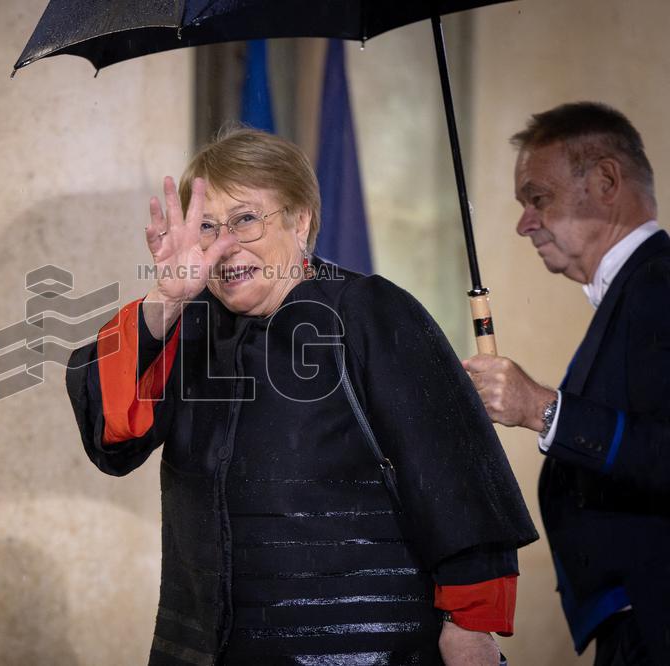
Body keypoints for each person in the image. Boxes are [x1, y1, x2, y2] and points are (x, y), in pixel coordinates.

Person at [67, 128, 537, 665]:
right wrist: (164, 299)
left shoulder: (370, 313)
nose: (226, 244)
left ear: (302, 220)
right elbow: (112, 434)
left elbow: (455, 479)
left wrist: (469, 625)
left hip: (366, 646)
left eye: (245, 219)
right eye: (207, 228)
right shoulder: (187, 327)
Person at [464, 102, 670, 665]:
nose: (524, 222)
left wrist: (543, 409)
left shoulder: (659, 283)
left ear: (606, 181)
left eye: (539, 198)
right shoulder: (634, 289)